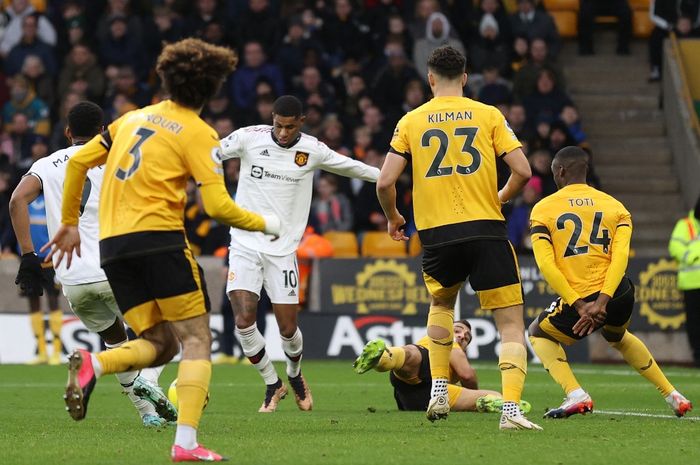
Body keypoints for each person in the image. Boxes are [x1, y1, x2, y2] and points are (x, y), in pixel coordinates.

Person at [42, 38, 280, 463]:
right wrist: (266, 223)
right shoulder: (198, 132)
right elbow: (217, 207)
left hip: (113, 248)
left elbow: (78, 163)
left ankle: (93, 365)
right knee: (196, 339)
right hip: (159, 240)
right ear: (210, 90)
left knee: (160, 342)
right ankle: (186, 444)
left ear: (166, 79)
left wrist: (69, 223)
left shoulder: (128, 120)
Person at [376, 45, 539, 430]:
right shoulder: (489, 115)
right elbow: (523, 170)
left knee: (442, 304)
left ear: (430, 79)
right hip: (485, 227)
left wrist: (394, 217)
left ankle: (437, 390)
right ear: (465, 78)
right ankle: (511, 411)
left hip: (437, 234)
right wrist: (500, 197)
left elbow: (384, 181)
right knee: (511, 325)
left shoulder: (410, 121)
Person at [10, 101, 175, 427]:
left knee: (117, 343)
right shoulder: (117, 159)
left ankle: (148, 415)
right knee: (168, 336)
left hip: (72, 279)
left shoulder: (47, 164)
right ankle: (146, 382)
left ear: (68, 132)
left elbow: (17, 200)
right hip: (114, 268)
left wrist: (29, 255)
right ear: (103, 130)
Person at [219, 95, 380, 413]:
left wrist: (388, 176)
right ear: (272, 119)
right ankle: (271, 383)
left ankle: (293, 374)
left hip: (282, 252)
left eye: (289, 127)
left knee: (287, 329)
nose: (282, 133)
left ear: (301, 123)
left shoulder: (312, 149)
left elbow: (353, 168)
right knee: (243, 320)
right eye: (278, 125)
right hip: (244, 244)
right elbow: (208, 153)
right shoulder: (249, 138)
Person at [528, 146, 693, 419]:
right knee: (617, 336)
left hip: (581, 295)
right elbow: (620, 258)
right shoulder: (616, 207)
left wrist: (582, 305)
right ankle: (673, 394)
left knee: (537, 332)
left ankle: (575, 394)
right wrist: (604, 301)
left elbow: (547, 265)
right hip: (619, 293)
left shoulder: (543, 209)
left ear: (560, 172)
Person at [353, 319, 532, 414]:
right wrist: (472, 392)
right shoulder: (446, 340)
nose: (462, 336)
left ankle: (382, 357)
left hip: (415, 398)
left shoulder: (448, 348)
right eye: (458, 330)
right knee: (413, 354)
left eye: (467, 337)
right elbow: (467, 375)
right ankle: (487, 402)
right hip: (428, 379)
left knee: (408, 355)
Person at [11, 188, 63, 365]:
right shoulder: (22, 200)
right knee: (33, 301)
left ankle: (56, 351)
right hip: (30, 261)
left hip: (51, 260)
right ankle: (41, 351)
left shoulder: (53, 199)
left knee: (53, 300)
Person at [668, 192, 700, 368]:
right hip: (691, 283)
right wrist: (694, 255)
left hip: (692, 282)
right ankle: (697, 356)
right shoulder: (685, 225)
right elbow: (675, 247)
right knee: (694, 322)